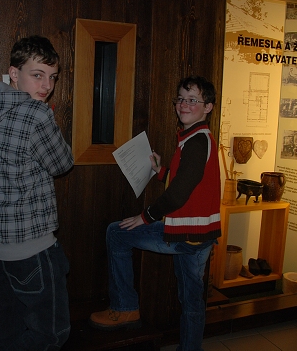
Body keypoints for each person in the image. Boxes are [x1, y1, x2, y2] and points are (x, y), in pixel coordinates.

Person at [0, 35, 74, 350]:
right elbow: (63, 163)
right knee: (51, 334)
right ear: (14, 73)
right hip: (30, 246)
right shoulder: (37, 114)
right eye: (37, 75)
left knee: (8, 331)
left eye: (52, 77)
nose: (46, 85)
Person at [89, 75, 221, 351]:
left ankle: (125, 308)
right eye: (180, 99)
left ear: (208, 107)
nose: (184, 105)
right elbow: (189, 182)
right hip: (201, 235)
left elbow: (178, 194)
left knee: (116, 233)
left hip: (185, 234)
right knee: (192, 302)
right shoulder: (198, 137)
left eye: (192, 100)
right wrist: (161, 171)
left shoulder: (196, 142)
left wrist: (145, 216)